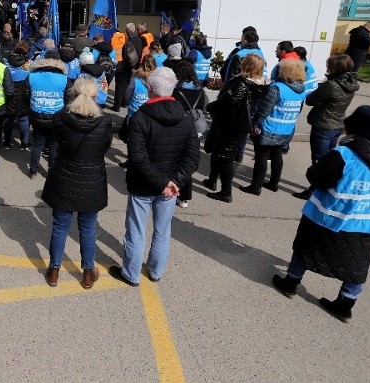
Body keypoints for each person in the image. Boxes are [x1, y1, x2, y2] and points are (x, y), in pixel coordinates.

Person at [272, 106, 370, 322]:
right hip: (369, 223)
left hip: (328, 217)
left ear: (353, 128)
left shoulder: (343, 155)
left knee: (305, 248)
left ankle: (291, 283)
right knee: (357, 265)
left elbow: (317, 177)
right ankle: (344, 305)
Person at [108, 68, 200, 286]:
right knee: (162, 230)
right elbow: (193, 157)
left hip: (144, 185)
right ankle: (156, 271)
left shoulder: (139, 118)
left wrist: (166, 182)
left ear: (150, 89)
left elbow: (138, 159)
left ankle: (131, 274)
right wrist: (174, 182)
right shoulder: (186, 119)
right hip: (169, 188)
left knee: (136, 231)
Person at [42, 77, 112, 289]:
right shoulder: (105, 122)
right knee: (88, 228)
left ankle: (54, 270)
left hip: (65, 177)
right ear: (95, 95)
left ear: (73, 93)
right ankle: (88, 273)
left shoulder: (60, 118)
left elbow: (56, 144)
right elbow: (104, 148)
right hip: (92, 180)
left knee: (59, 227)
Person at [292, 54, 359, 199]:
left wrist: (320, 99)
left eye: (329, 66)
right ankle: (326, 186)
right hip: (338, 123)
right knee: (329, 159)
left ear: (336, 68)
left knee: (319, 160)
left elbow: (310, 99)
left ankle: (313, 190)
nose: (327, 68)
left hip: (324, 124)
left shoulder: (331, 85)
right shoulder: (350, 84)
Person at [202, 54, 268, 202]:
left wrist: (211, 106)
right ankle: (212, 180)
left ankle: (226, 192)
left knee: (224, 158)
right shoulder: (259, 85)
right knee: (219, 154)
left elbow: (229, 101)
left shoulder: (243, 84)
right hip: (238, 124)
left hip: (232, 125)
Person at [242, 59, 306, 195]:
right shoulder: (301, 90)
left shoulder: (276, 88)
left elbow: (264, 109)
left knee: (261, 157)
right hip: (286, 129)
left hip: (269, 128)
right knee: (277, 155)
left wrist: (254, 123)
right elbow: (298, 109)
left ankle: (255, 186)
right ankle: (274, 183)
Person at [171, 60, 208, 208]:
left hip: (179, 128)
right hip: (196, 129)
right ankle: (185, 197)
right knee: (189, 162)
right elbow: (204, 108)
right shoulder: (200, 90)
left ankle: (173, 189)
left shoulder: (175, 90)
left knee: (175, 161)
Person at [27, 50, 69, 179]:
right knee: (53, 145)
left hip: (36, 113)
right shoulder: (64, 78)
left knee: (37, 144)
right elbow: (68, 98)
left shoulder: (32, 75)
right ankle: (51, 170)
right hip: (55, 115)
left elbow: (26, 94)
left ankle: (33, 171)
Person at [4, 41, 32, 151]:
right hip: (23, 93)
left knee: (9, 118)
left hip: (9, 92)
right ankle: (24, 143)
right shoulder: (30, 64)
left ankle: (7, 142)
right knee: (24, 118)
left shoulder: (6, 62)